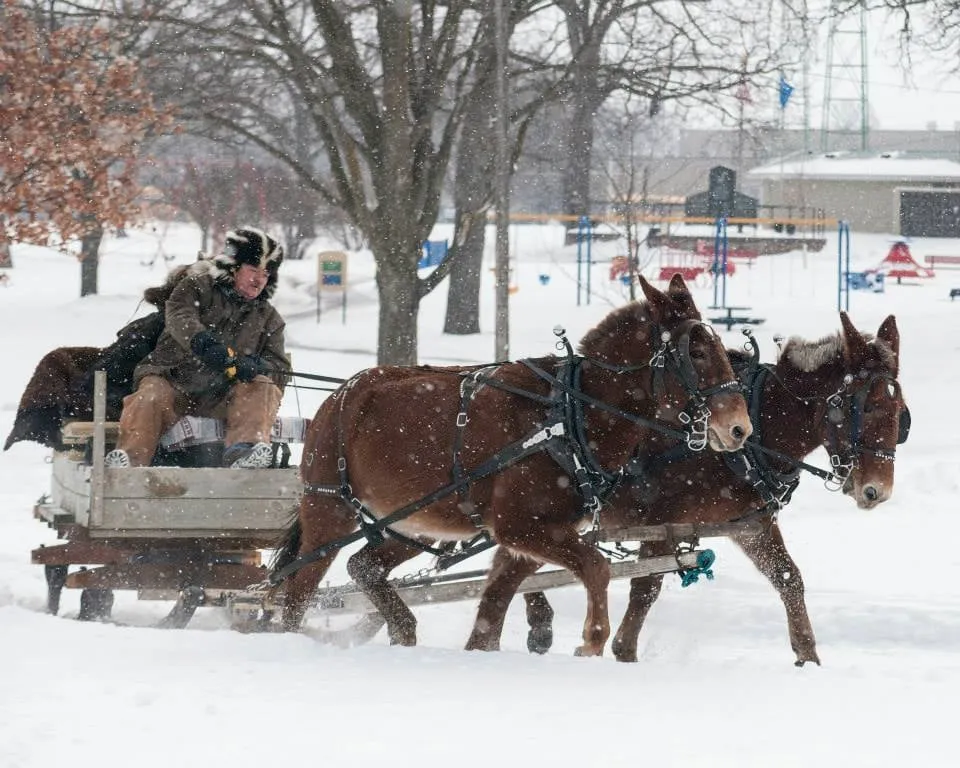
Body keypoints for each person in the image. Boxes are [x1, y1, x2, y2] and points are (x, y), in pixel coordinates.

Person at [104, 227, 288, 469]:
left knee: (262, 386)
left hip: (224, 398)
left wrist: (257, 367)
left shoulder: (269, 318)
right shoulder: (195, 287)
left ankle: (244, 453)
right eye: (253, 270)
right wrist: (204, 344)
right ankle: (129, 462)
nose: (259, 280)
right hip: (172, 381)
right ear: (234, 268)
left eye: (265, 274)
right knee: (150, 394)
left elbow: (280, 368)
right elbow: (180, 317)